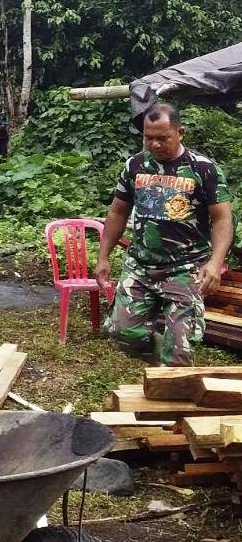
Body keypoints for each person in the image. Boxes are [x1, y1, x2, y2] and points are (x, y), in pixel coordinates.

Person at [96, 103, 233, 366]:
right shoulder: (135, 166)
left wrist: (214, 263)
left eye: (163, 138)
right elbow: (117, 213)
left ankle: (174, 373)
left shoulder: (203, 169)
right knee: (122, 334)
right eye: (149, 138)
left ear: (180, 132)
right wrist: (103, 257)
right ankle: (160, 350)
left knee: (180, 353)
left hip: (185, 267)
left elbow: (222, 219)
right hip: (141, 265)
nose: (155, 144)